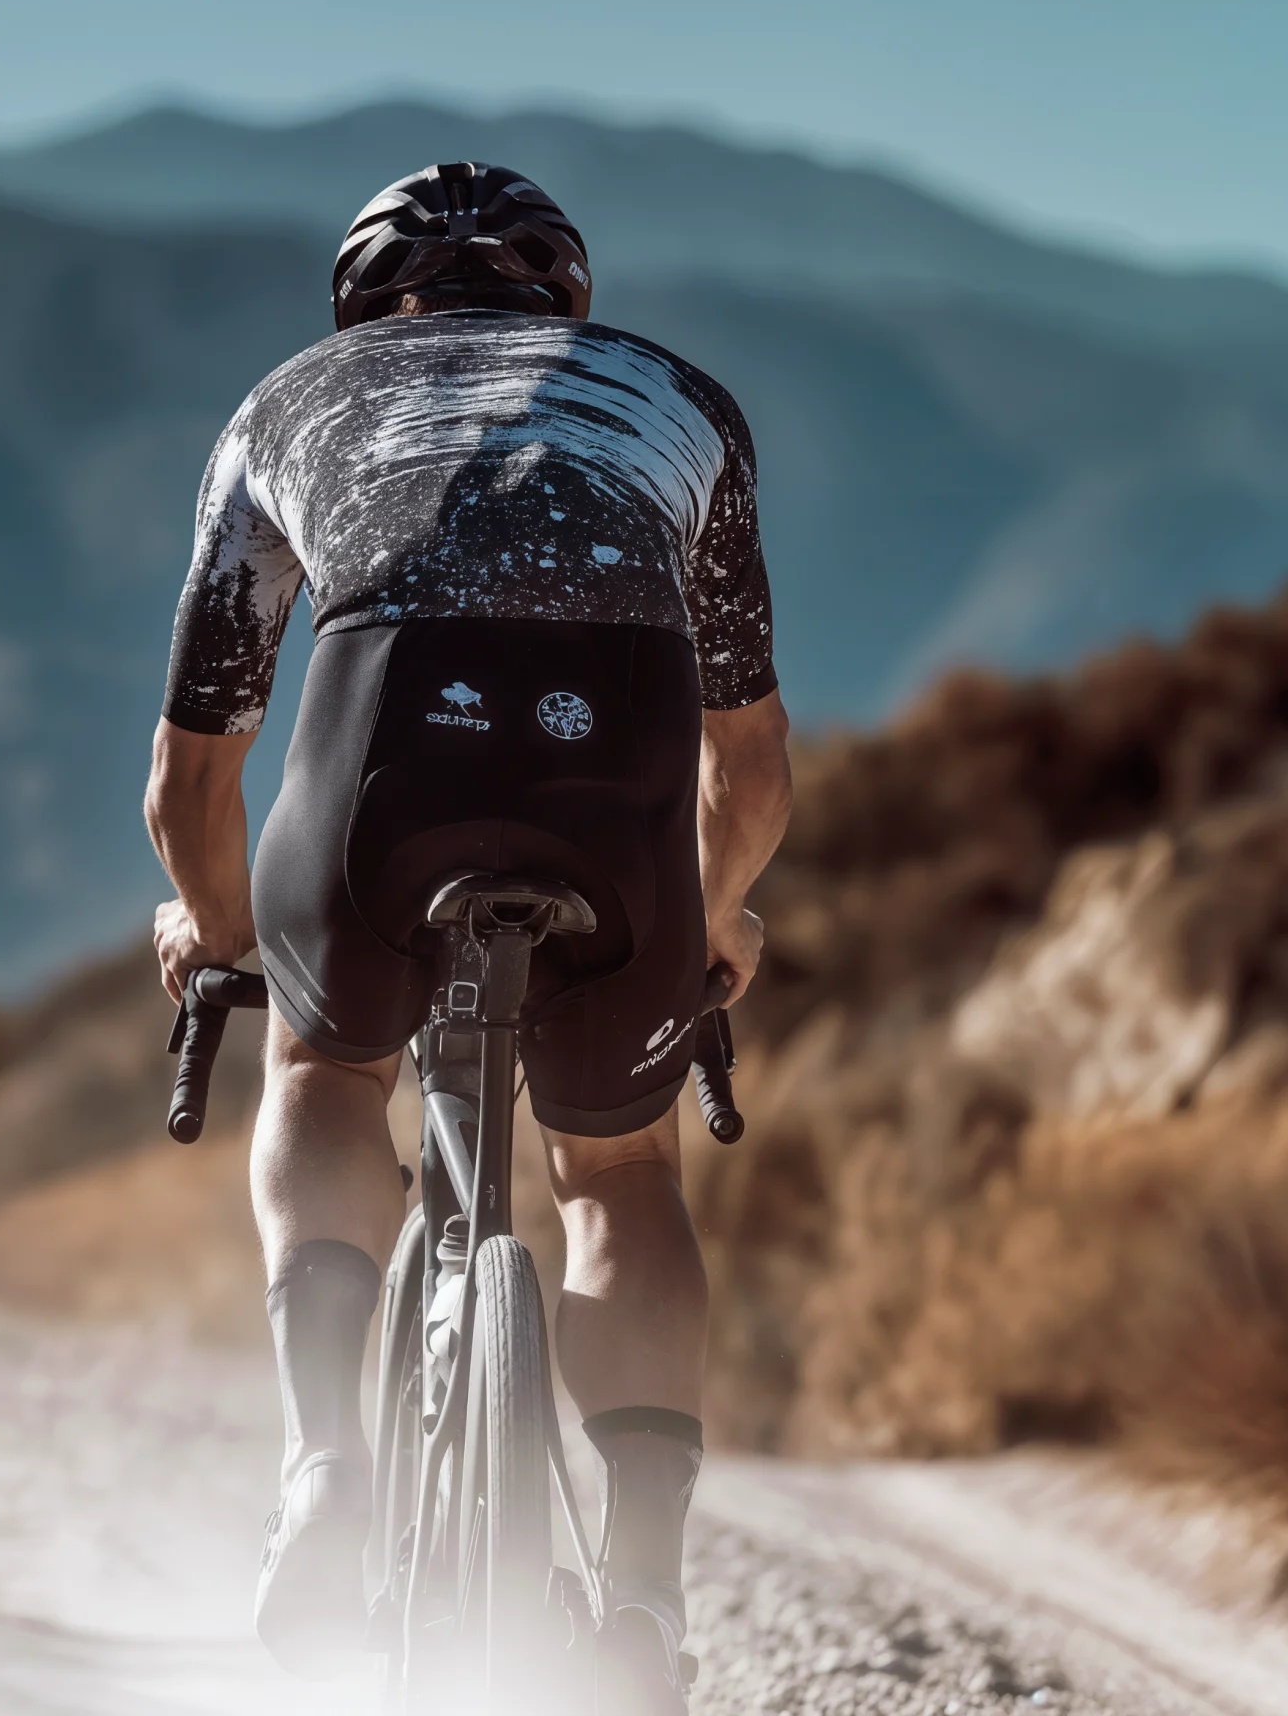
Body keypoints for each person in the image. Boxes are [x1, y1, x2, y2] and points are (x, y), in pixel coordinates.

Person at [143, 162, 792, 1709]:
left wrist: (227, 941)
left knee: (320, 1076)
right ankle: (640, 1597)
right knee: (622, 1171)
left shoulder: (288, 407)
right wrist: (707, 927)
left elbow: (192, 775)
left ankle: (323, 1469)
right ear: (565, 295)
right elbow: (748, 763)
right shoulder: (681, 403)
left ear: (365, 303)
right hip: (618, 781)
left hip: (379, 776)